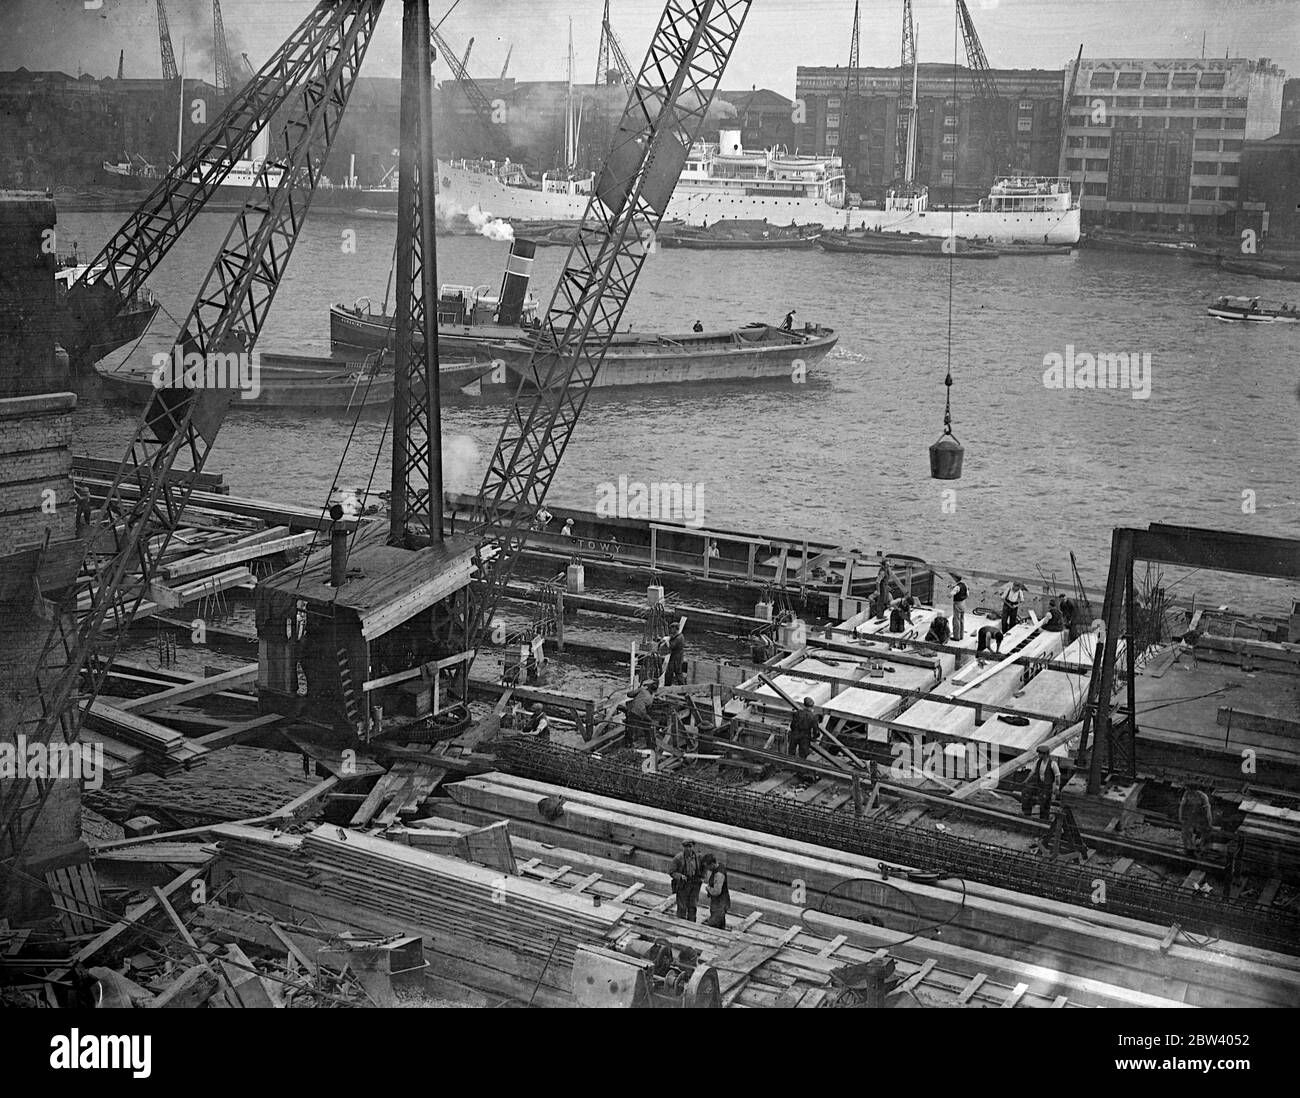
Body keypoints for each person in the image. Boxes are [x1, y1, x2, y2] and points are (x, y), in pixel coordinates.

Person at [1021, 744, 1060, 821]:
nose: (1038, 755)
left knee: (1044, 800)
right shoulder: (1038, 762)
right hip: (1038, 784)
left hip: (1047, 786)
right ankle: (1027, 814)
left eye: (1040, 753)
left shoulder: (1053, 764)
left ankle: (1044, 819)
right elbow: (1032, 772)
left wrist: (1057, 788)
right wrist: (1026, 781)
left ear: (1045, 754)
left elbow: (1057, 776)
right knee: (1026, 792)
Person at [668, 839, 703, 921]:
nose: (688, 849)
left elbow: (704, 867)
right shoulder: (678, 858)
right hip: (683, 884)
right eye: (686, 847)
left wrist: (702, 877)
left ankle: (691, 923)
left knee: (693, 905)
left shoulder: (698, 857)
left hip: (694, 884)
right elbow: (671, 872)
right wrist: (680, 876)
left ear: (693, 847)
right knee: (682, 906)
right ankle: (681, 924)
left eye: (690, 847)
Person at [1179, 784, 1214, 855]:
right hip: (1191, 818)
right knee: (1186, 832)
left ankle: (1202, 849)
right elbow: (1182, 806)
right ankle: (1189, 849)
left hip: (1200, 818)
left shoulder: (1202, 796)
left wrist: (1209, 823)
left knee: (1206, 832)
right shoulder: (1187, 794)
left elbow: (1207, 811)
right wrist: (1181, 817)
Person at [701, 853, 731, 929]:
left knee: (713, 924)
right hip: (717, 902)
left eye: (707, 866)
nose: (707, 869)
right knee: (720, 923)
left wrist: (708, 888)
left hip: (720, 903)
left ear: (712, 864)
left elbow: (717, 891)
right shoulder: (718, 867)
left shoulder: (719, 874)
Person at [620, 681, 653, 748]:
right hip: (641, 714)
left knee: (630, 728)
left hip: (633, 712)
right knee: (648, 723)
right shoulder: (651, 699)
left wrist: (638, 690)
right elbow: (647, 709)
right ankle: (649, 742)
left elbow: (629, 694)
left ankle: (629, 744)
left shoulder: (642, 690)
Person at [949, 574, 968, 641]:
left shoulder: (957, 587)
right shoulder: (965, 585)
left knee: (956, 620)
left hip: (957, 603)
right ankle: (961, 636)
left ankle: (956, 637)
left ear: (955, 579)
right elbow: (967, 594)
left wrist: (951, 590)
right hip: (963, 603)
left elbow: (951, 594)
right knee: (962, 620)